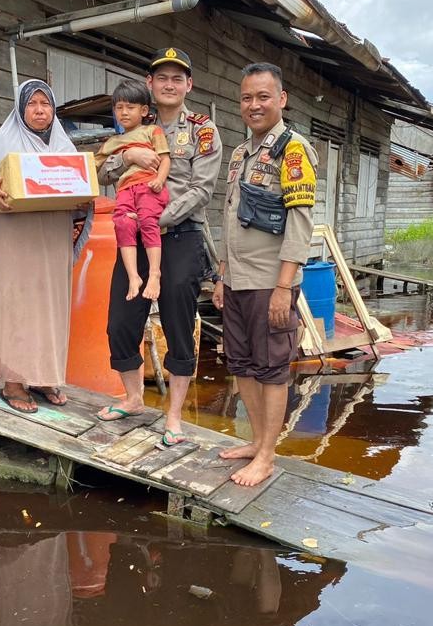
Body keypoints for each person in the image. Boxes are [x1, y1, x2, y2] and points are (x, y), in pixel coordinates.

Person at [96, 47, 222, 447]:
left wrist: (153, 220)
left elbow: (202, 190)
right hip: (133, 238)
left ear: (189, 85)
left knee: (178, 325)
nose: (169, 84)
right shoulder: (132, 124)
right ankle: (134, 399)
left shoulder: (203, 130)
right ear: (149, 84)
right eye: (161, 78)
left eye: (177, 78)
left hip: (181, 235)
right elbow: (102, 173)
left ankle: (174, 416)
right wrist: (127, 155)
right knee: (120, 321)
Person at [212, 62, 319, 487]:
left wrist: (283, 287)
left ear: (281, 99)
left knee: (272, 368)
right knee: (242, 364)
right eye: (246, 98)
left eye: (262, 97)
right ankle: (257, 442)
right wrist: (221, 273)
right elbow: (230, 217)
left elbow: (300, 223)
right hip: (237, 280)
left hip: (269, 281)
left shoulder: (292, 150)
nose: (253, 105)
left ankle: (268, 456)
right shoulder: (242, 152)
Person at [0, 80, 82, 414]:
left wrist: (83, 200)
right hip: (15, 238)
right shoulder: (0, 143)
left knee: (49, 305)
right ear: (20, 108)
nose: (40, 110)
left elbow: (78, 187)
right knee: (17, 303)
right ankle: (14, 382)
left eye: (46, 103)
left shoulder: (64, 146)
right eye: (33, 104)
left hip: (52, 238)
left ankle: (44, 376)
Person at [95, 80, 172, 301]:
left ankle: (154, 273)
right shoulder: (112, 142)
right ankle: (133, 277)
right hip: (125, 191)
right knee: (122, 223)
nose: (124, 112)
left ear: (144, 110)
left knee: (148, 221)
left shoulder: (152, 131)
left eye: (130, 107)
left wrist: (159, 179)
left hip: (149, 187)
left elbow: (165, 159)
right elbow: (94, 168)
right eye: (119, 108)